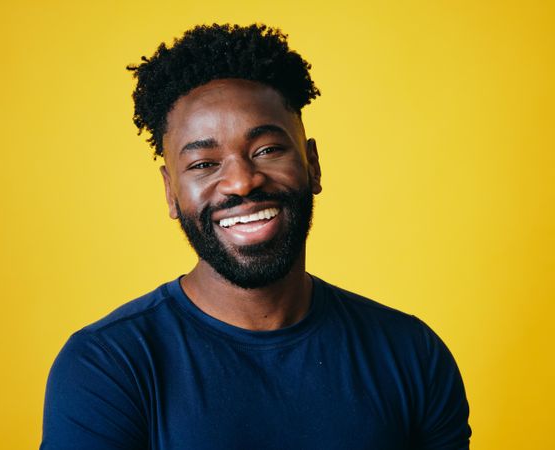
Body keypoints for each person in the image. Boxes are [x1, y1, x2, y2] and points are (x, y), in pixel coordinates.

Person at [40, 24, 471, 450]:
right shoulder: (107, 367)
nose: (242, 182)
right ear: (171, 193)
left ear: (313, 164)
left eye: (266, 150)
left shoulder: (412, 355)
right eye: (204, 164)